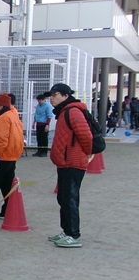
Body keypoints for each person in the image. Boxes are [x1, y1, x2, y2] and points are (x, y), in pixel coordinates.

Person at [45, 84, 93, 248]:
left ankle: (73, 234)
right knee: (63, 198)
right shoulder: (64, 112)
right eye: (50, 95)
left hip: (73, 162)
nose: (52, 97)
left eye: (55, 94)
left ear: (66, 96)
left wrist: (86, 154)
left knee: (70, 198)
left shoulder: (72, 111)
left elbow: (86, 135)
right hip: (65, 162)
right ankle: (66, 231)